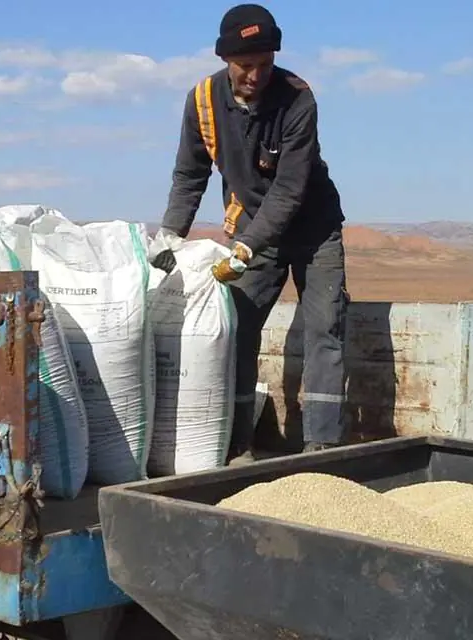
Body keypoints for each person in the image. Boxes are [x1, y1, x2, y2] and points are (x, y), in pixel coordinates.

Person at [150, 3, 349, 464]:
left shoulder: (298, 98)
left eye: (264, 64)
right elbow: (189, 175)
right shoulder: (201, 101)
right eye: (245, 66)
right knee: (237, 329)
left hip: (314, 229)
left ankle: (322, 447)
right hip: (251, 231)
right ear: (225, 60)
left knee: (325, 330)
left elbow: (289, 189)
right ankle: (237, 442)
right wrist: (169, 236)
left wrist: (245, 246)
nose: (255, 75)